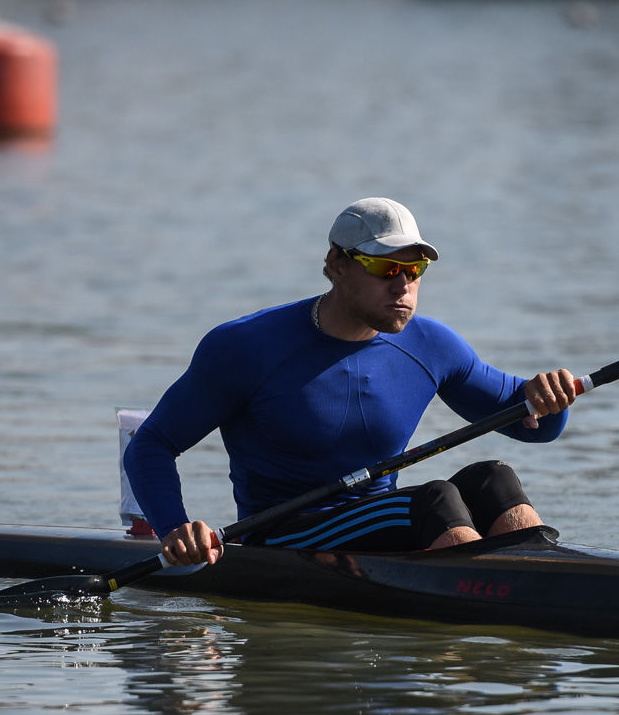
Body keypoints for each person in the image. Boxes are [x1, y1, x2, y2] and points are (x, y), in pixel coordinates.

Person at [123, 197, 580, 568]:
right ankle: (493, 596)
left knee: (492, 479)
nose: (403, 286)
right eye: (387, 269)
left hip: (384, 520)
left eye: (415, 269)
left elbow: (530, 425)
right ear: (337, 265)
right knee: (436, 499)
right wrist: (174, 530)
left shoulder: (433, 346)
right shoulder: (245, 347)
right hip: (284, 536)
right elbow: (151, 444)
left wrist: (548, 401)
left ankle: (544, 583)